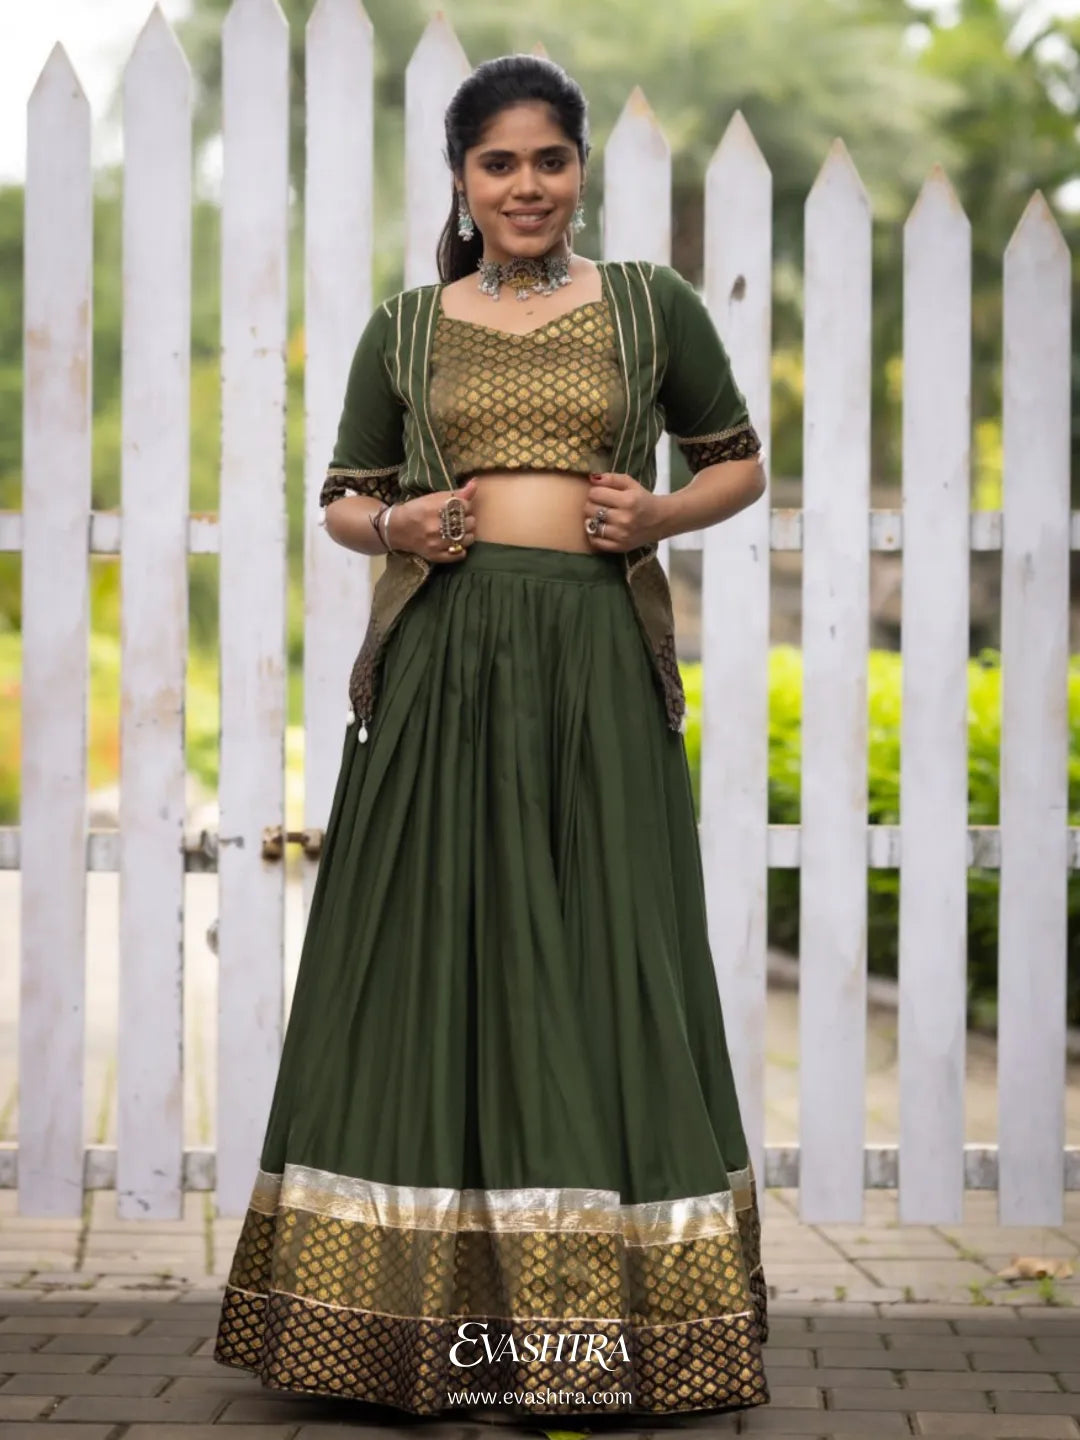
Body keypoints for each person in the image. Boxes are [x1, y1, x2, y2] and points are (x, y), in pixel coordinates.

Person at [213, 52, 770, 1430]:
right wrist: (395, 525)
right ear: (461, 179)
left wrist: (658, 519)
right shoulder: (407, 328)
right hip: (445, 669)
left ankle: (590, 1341)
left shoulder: (653, 305)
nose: (527, 186)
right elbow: (345, 494)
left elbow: (738, 458)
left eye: (551, 159)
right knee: (428, 964)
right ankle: (401, 1337)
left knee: (601, 956)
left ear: (582, 170)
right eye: (498, 163)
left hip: (591, 664)